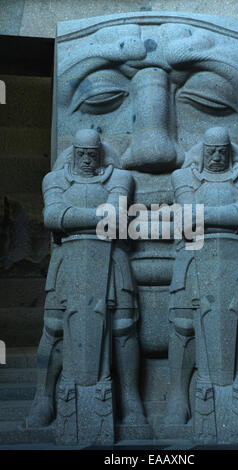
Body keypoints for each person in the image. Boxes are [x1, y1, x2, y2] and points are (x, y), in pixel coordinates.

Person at [166, 126, 238, 429]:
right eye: (211, 151)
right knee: (183, 326)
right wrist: (232, 214)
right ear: (203, 151)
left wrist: (204, 214)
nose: (217, 156)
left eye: (222, 151)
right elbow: (185, 216)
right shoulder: (183, 177)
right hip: (192, 258)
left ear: (230, 151)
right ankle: (178, 397)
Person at [27, 129, 146, 429]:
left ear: (100, 154)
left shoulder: (120, 178)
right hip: (67, 260)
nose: (86, 160)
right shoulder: (54, 180)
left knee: (123, 327)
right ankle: (44, 397)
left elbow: (116, 217)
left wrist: (72, 216)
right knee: (54, 328)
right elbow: (52, 217)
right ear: (74, 152)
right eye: (81, 154)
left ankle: (131, 400)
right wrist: (96, 217)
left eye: (92, 155)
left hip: (113, 260)